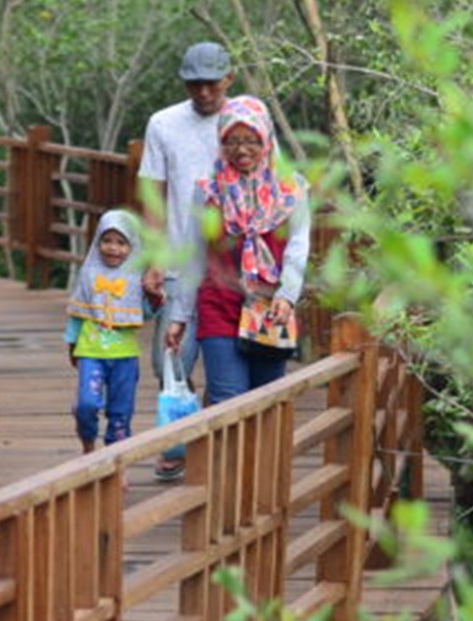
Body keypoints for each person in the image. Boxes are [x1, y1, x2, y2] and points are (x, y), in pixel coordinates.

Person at [160, 96, 309, 475]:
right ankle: (226, 496)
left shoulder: (292, 189)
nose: (242, 150)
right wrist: (179, 316)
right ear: (221, 143)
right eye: (232, 140)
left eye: (251, 140)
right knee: (227, 401)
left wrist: (288, 297)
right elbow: (194, 256)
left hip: (270, 309)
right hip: (218, 305)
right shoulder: (208, 189)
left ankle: (260, 493)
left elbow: (297, 249)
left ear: (266, 140)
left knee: (266, 403)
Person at [141, 42, 234, 481]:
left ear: (228, 79)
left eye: (211, 83)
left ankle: (196, 444)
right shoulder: (163, 123)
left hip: (229, 268)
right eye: (194, 83)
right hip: (179, 262)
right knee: (168, 362)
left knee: (225, 362)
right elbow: (153, 194)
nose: (202, 92)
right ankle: (188, 430)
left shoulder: (246, 120)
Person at [64, 210, 159, 453]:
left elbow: (147, 313)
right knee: (87, 404)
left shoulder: (136, 277)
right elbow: (78, 313)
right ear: (98, 241)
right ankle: (87, 442)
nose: (113, 248)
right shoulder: (89, 273)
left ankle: (117, 463)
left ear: (132, 246)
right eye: (107, 241)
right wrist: (72, 345)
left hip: (124, 355)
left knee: (120, 412)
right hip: (91, 351)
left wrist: (153, 296)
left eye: (121, 242)